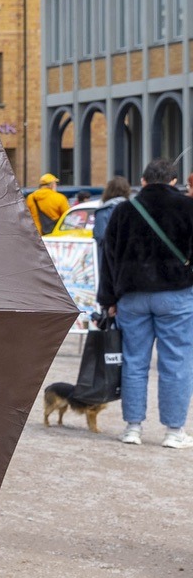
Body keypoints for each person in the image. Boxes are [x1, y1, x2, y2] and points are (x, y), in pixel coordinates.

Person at [96, 157, 193, 447]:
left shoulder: (123, 210)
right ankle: (174, 431)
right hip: (175, 294)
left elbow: (108, 258)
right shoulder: (188, 207)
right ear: (174, 181)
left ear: (142, 181)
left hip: (131, 296)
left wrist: (108, 299)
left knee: (134, 361)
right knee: (176, 360)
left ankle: (133, 427)